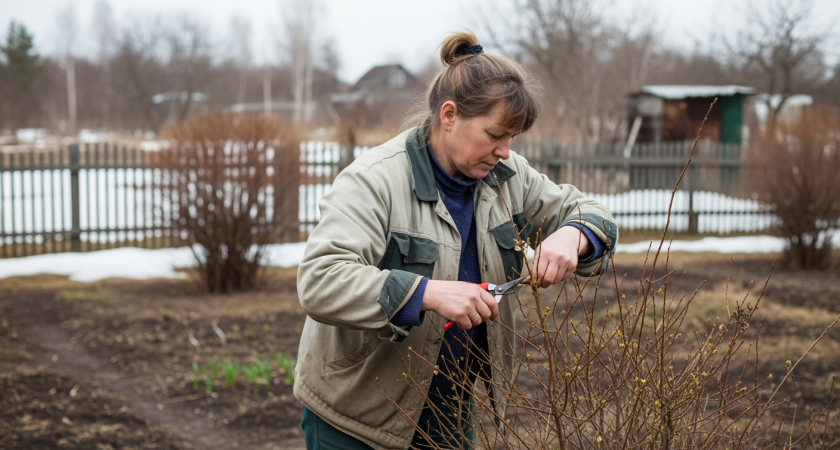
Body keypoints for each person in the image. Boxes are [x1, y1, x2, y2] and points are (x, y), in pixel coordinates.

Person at [295, 31, 618, 450]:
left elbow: (593, 214)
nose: (505, 151)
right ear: (449, 116)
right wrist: (426, 293)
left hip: (450, 411)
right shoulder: (374, 180)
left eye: (512, 139)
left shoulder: (506, 177)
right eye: (494, 135)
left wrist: (573, 236)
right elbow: (321, 280)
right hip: (356, 419)